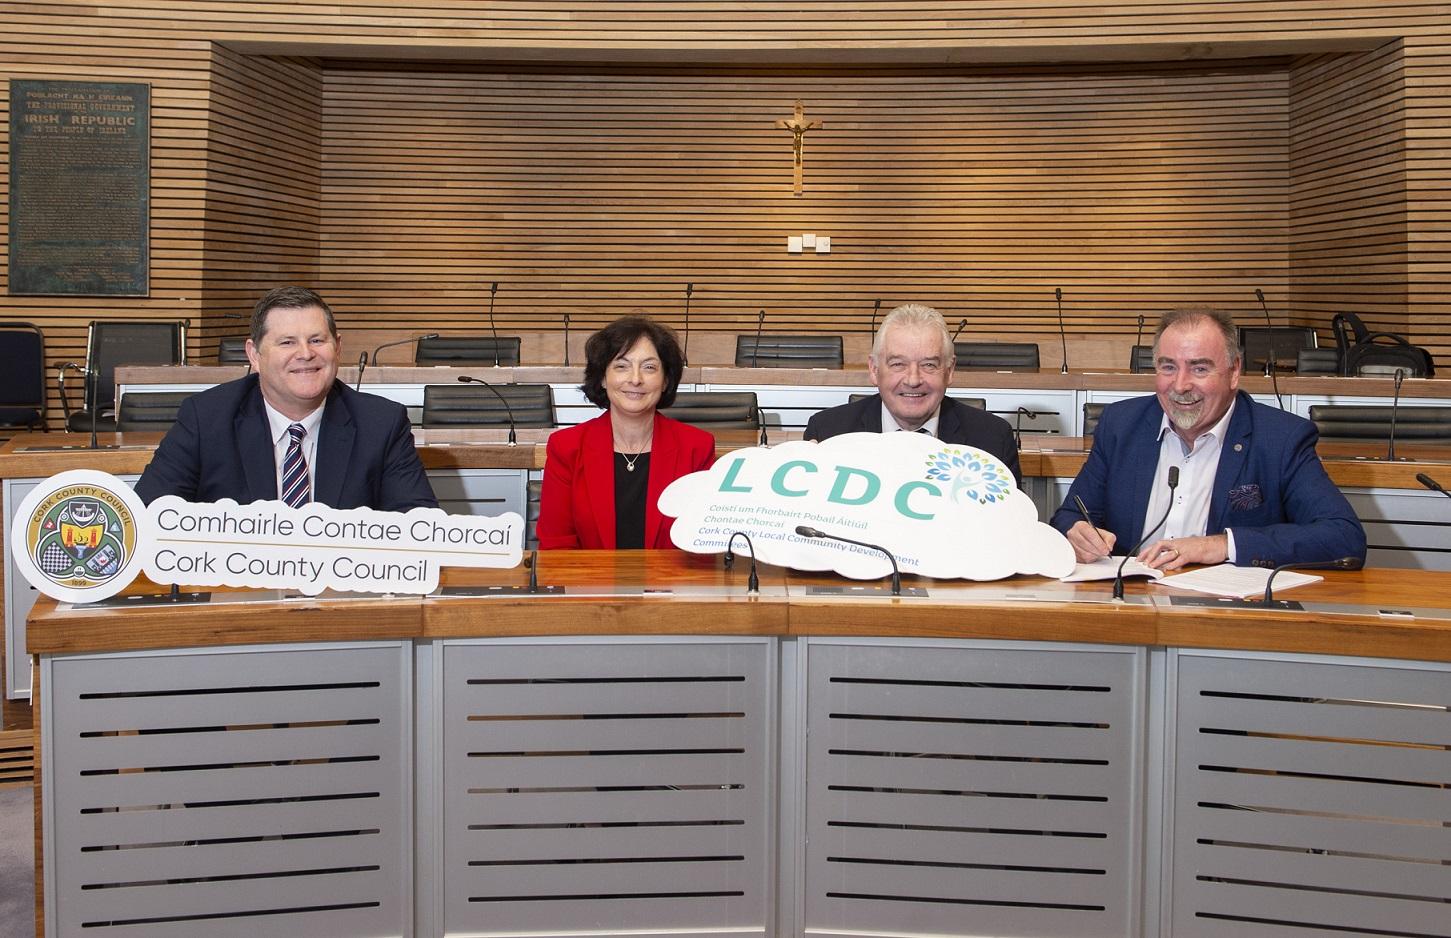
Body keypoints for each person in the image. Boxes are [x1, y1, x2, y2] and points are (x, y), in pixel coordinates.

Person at [1051, 307, 1365, 570]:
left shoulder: (1281, 439)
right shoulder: (1120, 425)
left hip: (1224, 612)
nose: (1181, 384)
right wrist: (1075, 533)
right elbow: (1071, 515)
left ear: (1234, 371)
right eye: (1168, 367)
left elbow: (1343, 537)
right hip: (1130, 601)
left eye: (1199, 368)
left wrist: (1220, 545)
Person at [134, 286, 437, 511]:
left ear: (338, 347)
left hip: (339, 590)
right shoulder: (206, 418)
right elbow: (151, 515)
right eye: (287, 342)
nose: (305, 353)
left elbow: (418, 526)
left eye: (317, 340)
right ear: (254, 354)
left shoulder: (382, 424)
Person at [537, 316, 714, 549]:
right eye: (621, 366)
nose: (635, 379)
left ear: (665, 380)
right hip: (589, 583)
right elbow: (556, 546)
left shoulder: (697, 447)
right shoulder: (567, 447)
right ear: (602, 377)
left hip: (670, 584)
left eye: (649, 368)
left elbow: (702, 544)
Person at [803, 303, 1021, 481]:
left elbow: (1010, 528)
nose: (913, 380)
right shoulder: (828, 434)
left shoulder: (993, 440)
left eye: (929, 365)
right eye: (898, 364)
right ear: (874, 369)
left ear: (949, 371)